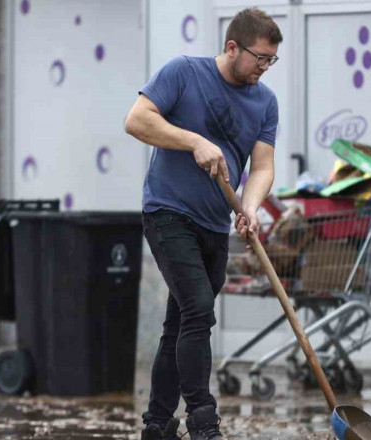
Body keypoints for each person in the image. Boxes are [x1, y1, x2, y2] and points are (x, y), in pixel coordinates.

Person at [124, 7, 282, 440]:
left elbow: (263, 166)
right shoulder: (183, 72)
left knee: (180, 324)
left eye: (271, 61)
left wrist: (249, 206)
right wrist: (194, 141)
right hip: (168, 212)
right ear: (232, 47)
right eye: (260, 58)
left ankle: (156, 425)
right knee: (198, 308)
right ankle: (203, 422)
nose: (264, 68)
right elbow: (137, 120)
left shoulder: (265, 101)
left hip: (215, 223)